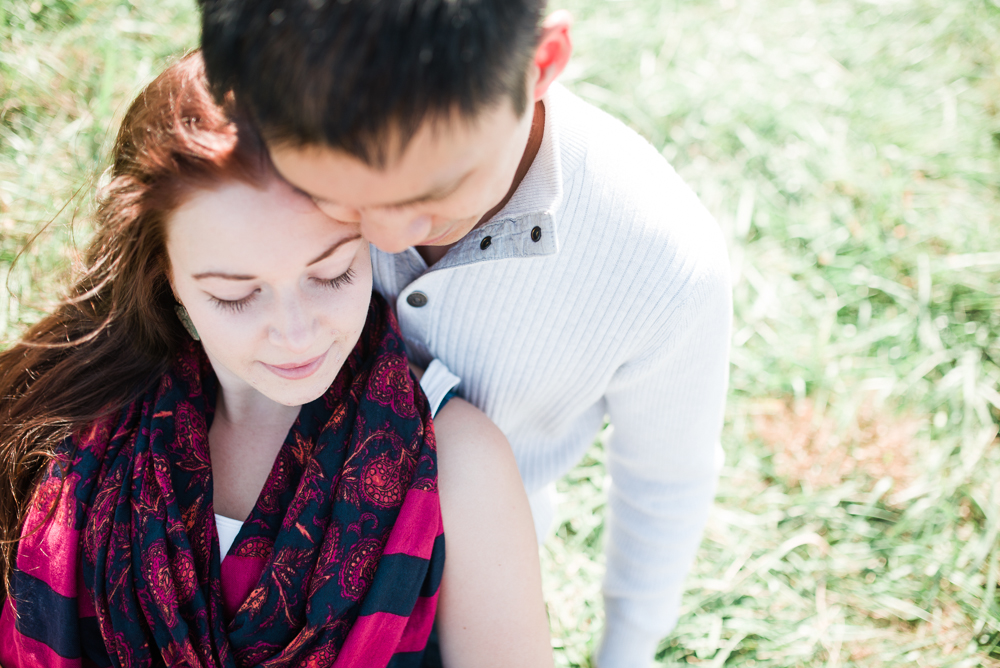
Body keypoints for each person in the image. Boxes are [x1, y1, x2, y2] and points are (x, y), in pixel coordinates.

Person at [197, 2, 733, 666]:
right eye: (341, 197)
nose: (388, 239)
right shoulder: (263, 116)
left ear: (542, 63)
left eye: (437, 191)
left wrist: (627, 649)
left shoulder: (664, 268)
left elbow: (665, 480)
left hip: (476, 571)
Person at [0, 53, 552, 668]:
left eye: (333, 273)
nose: (295, 336)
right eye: (235, 294)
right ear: (168, 275)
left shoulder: (457, 465)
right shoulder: (78, 419)